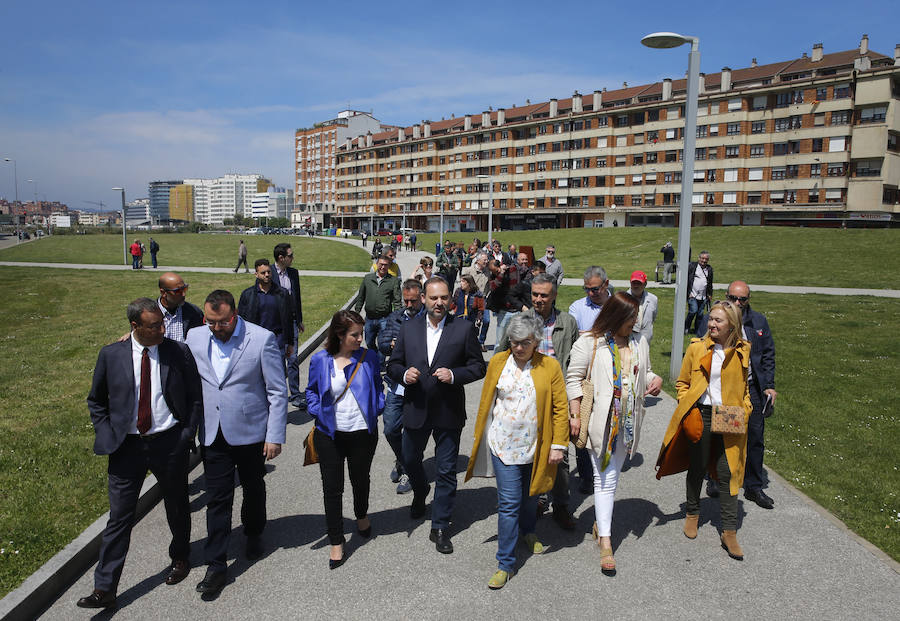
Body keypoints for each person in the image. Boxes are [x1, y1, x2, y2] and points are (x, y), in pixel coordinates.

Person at [78, 299, 202, 609]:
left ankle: (180, 556)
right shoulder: (111, 355)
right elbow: (96, 400)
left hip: (169, 442)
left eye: (162, 323)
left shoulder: (177, 351)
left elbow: (194, 396)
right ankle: (104, 588)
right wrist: (106, 432)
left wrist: (187, 432)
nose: (162, 329)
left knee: (177, 505)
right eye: (154, 326)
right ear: (135, 327)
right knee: (119, 517)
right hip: (127, 447)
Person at [186, 290, 287, 596]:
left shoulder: (261, 339)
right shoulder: (194, 336)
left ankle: (254, 531)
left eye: (222, 322)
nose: (216, 328)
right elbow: (169, 354)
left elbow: (277, 391)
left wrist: (274, 434)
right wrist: (132, 336)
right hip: (213, 432)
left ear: (235, 315)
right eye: (211, 321)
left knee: (254, 487)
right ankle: (216, 565)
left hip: (251, 432)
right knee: (218, 498)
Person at [465, 313, 569, 589]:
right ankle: (505, 563)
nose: (519, 347)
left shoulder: (550, 367)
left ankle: (528, 531)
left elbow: (560, 408)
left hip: (536, 447)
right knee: (509, 504)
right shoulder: (499, 362)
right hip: (503, 447)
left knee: (530, 495)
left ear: (536, 341)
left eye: (525, 342)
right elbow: (487, 401)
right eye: (514, 341)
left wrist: (559, 444)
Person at [386, 277, 486, 554]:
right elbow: (393, 364)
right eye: (433, 298)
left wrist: (455, 375)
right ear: (423, 299)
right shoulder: (408, 329)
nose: (439, 303)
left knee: (445, 471)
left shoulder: (463, 329)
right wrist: (404, 374)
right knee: (409, 459)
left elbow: (478, 367)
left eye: (444, 298)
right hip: (415, 408)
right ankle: (419, 490)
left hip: (448, 411)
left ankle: (440, 525)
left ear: (449, 300)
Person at [566, 292, 662, 575]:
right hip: (600, 422)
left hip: (628, 424)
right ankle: (606, 541)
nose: (635, 323)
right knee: (604, 478)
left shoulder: (638, 342)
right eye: (631, 319)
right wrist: (574, 415)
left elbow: (644, 372)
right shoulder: (590, 342)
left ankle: (600, 524)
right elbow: (573, 378)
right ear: (616, 316)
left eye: (636, 318)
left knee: (612, 476)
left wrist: (653, 380)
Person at [656, 300, 752, 561]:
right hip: (702, 413)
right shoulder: (697, 348)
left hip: (731, 416)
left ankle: (729, 531)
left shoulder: (743, 350)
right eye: (710, 319)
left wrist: (746, 408)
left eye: (718, 320)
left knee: (728, 471)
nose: (712, 324)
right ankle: (692, 512)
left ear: (731, 324)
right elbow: (683, 381)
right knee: (697, 466)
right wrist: (686, 404)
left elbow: (745, 388)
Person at [497, 273, 579, 529]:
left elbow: (576, 361)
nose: (539, 299)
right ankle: (537, 498)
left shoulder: (567, 322)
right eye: (535, 294)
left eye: (544, 295)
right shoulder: (518, 320)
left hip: (555, 397)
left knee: (560, 455)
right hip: (524, 400)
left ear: (554, 295)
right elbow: (501, 355)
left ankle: (561, 504)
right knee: (529, 453)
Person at [305, 310, 384, 569]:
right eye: (355, 335)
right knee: (332, 488)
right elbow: (312, 392)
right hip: (330, 435)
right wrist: (318, 411)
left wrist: (376, 407)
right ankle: (336, 540)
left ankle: (361, 514)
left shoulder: (369, 357)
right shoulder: (320, 360)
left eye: (361, 334)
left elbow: (378, 388)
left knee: (360, 480)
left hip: (362, 433)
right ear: (339, 335)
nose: (361, 339)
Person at [698, 281, 778, 509]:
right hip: (725, 388)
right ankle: (714, 478)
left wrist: (769, 385)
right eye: (734, 298)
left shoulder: (758, 321)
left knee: (755, 436)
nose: (738, 303)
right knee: (721, 435)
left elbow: (768, 355)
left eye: (743, 299)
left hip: (752, 388)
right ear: (727, 296)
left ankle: (753, 485)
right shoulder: (713, 319)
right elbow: (699, 350)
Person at [377, 280, 425, 494]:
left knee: (413, 434)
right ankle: (402, 459)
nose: (408, 304)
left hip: (419, 386)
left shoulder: (428, 319)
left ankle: (409, 471)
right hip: (396, 386)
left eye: (413, 301)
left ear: (421, 298)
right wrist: (393, 344)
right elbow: (383, 342)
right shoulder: (395, 317)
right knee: (390, 429)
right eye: (405, 300)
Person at [238, 259, 295, 362]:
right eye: (263, 273)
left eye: (269, 272)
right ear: (256, 274)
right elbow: (241, 321)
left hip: (277, 342)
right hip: (256, 343)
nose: (267, 275)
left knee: (278, 375)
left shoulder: (282, 294)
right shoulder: (248, 295)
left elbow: (288, 319)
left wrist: (290, 343)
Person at [273, 243, 305, 409]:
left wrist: (299, 319)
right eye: (290, 255)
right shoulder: (269, 273)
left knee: (292, 359)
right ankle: (279, 395)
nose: (293, 258)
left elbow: (297, 298)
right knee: (277, 361)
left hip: (292, 322)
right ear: (281, 257)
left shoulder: (293, 273)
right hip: (276, 325)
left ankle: (295, 393)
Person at [354, 254, 402, 359]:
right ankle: (374, 358)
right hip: (369, 318)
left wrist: (398, 318)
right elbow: (361, 296)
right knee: (369, 342)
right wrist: (356, 313)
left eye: (386, 265)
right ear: (377, 264)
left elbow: (397, 301)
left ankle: (379, 365)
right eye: (381, 264)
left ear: (389, 266)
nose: (383, 267)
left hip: (385, 319)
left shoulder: (393, 281)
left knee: (383, 344)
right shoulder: (368, 278)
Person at [485, 259, 528, 346]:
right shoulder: (494, 275)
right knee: (500, 341)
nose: (495, 273)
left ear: (500, 265)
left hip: (515, 308)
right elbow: (493, 287)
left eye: (496, 271)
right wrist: (501, 274)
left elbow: (514, 288)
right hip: (503, 309)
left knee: (517, 339)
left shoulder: (512, 269)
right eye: (493, 272)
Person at [568, 266, 612, 334]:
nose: (590, 293)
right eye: (587, 289)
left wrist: (587, 335)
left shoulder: (619, 305)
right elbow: (571, 333)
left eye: (595, 289)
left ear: (606, 284)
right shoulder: (577, 307)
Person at [685, 251, 713, 334]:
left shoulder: (709, 269)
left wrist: (710, 294)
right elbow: (687, 280)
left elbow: (710, 283)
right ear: (699, 258)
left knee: (700, 314)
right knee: (693, 311)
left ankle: (698, 330)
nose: (704, 260)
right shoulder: (692, 266)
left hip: (703, 296)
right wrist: (688, 292)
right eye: (702, 258)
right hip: (692, 294)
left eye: (706, 259)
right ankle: (686, 327)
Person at [628, 270, 659, 344]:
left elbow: (653, 317)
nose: (636, 286)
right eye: (634, 283)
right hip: (628, 339)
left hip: (645, 339)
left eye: (639, 283)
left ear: (645, 284)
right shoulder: (623, 299)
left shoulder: (653, 299)